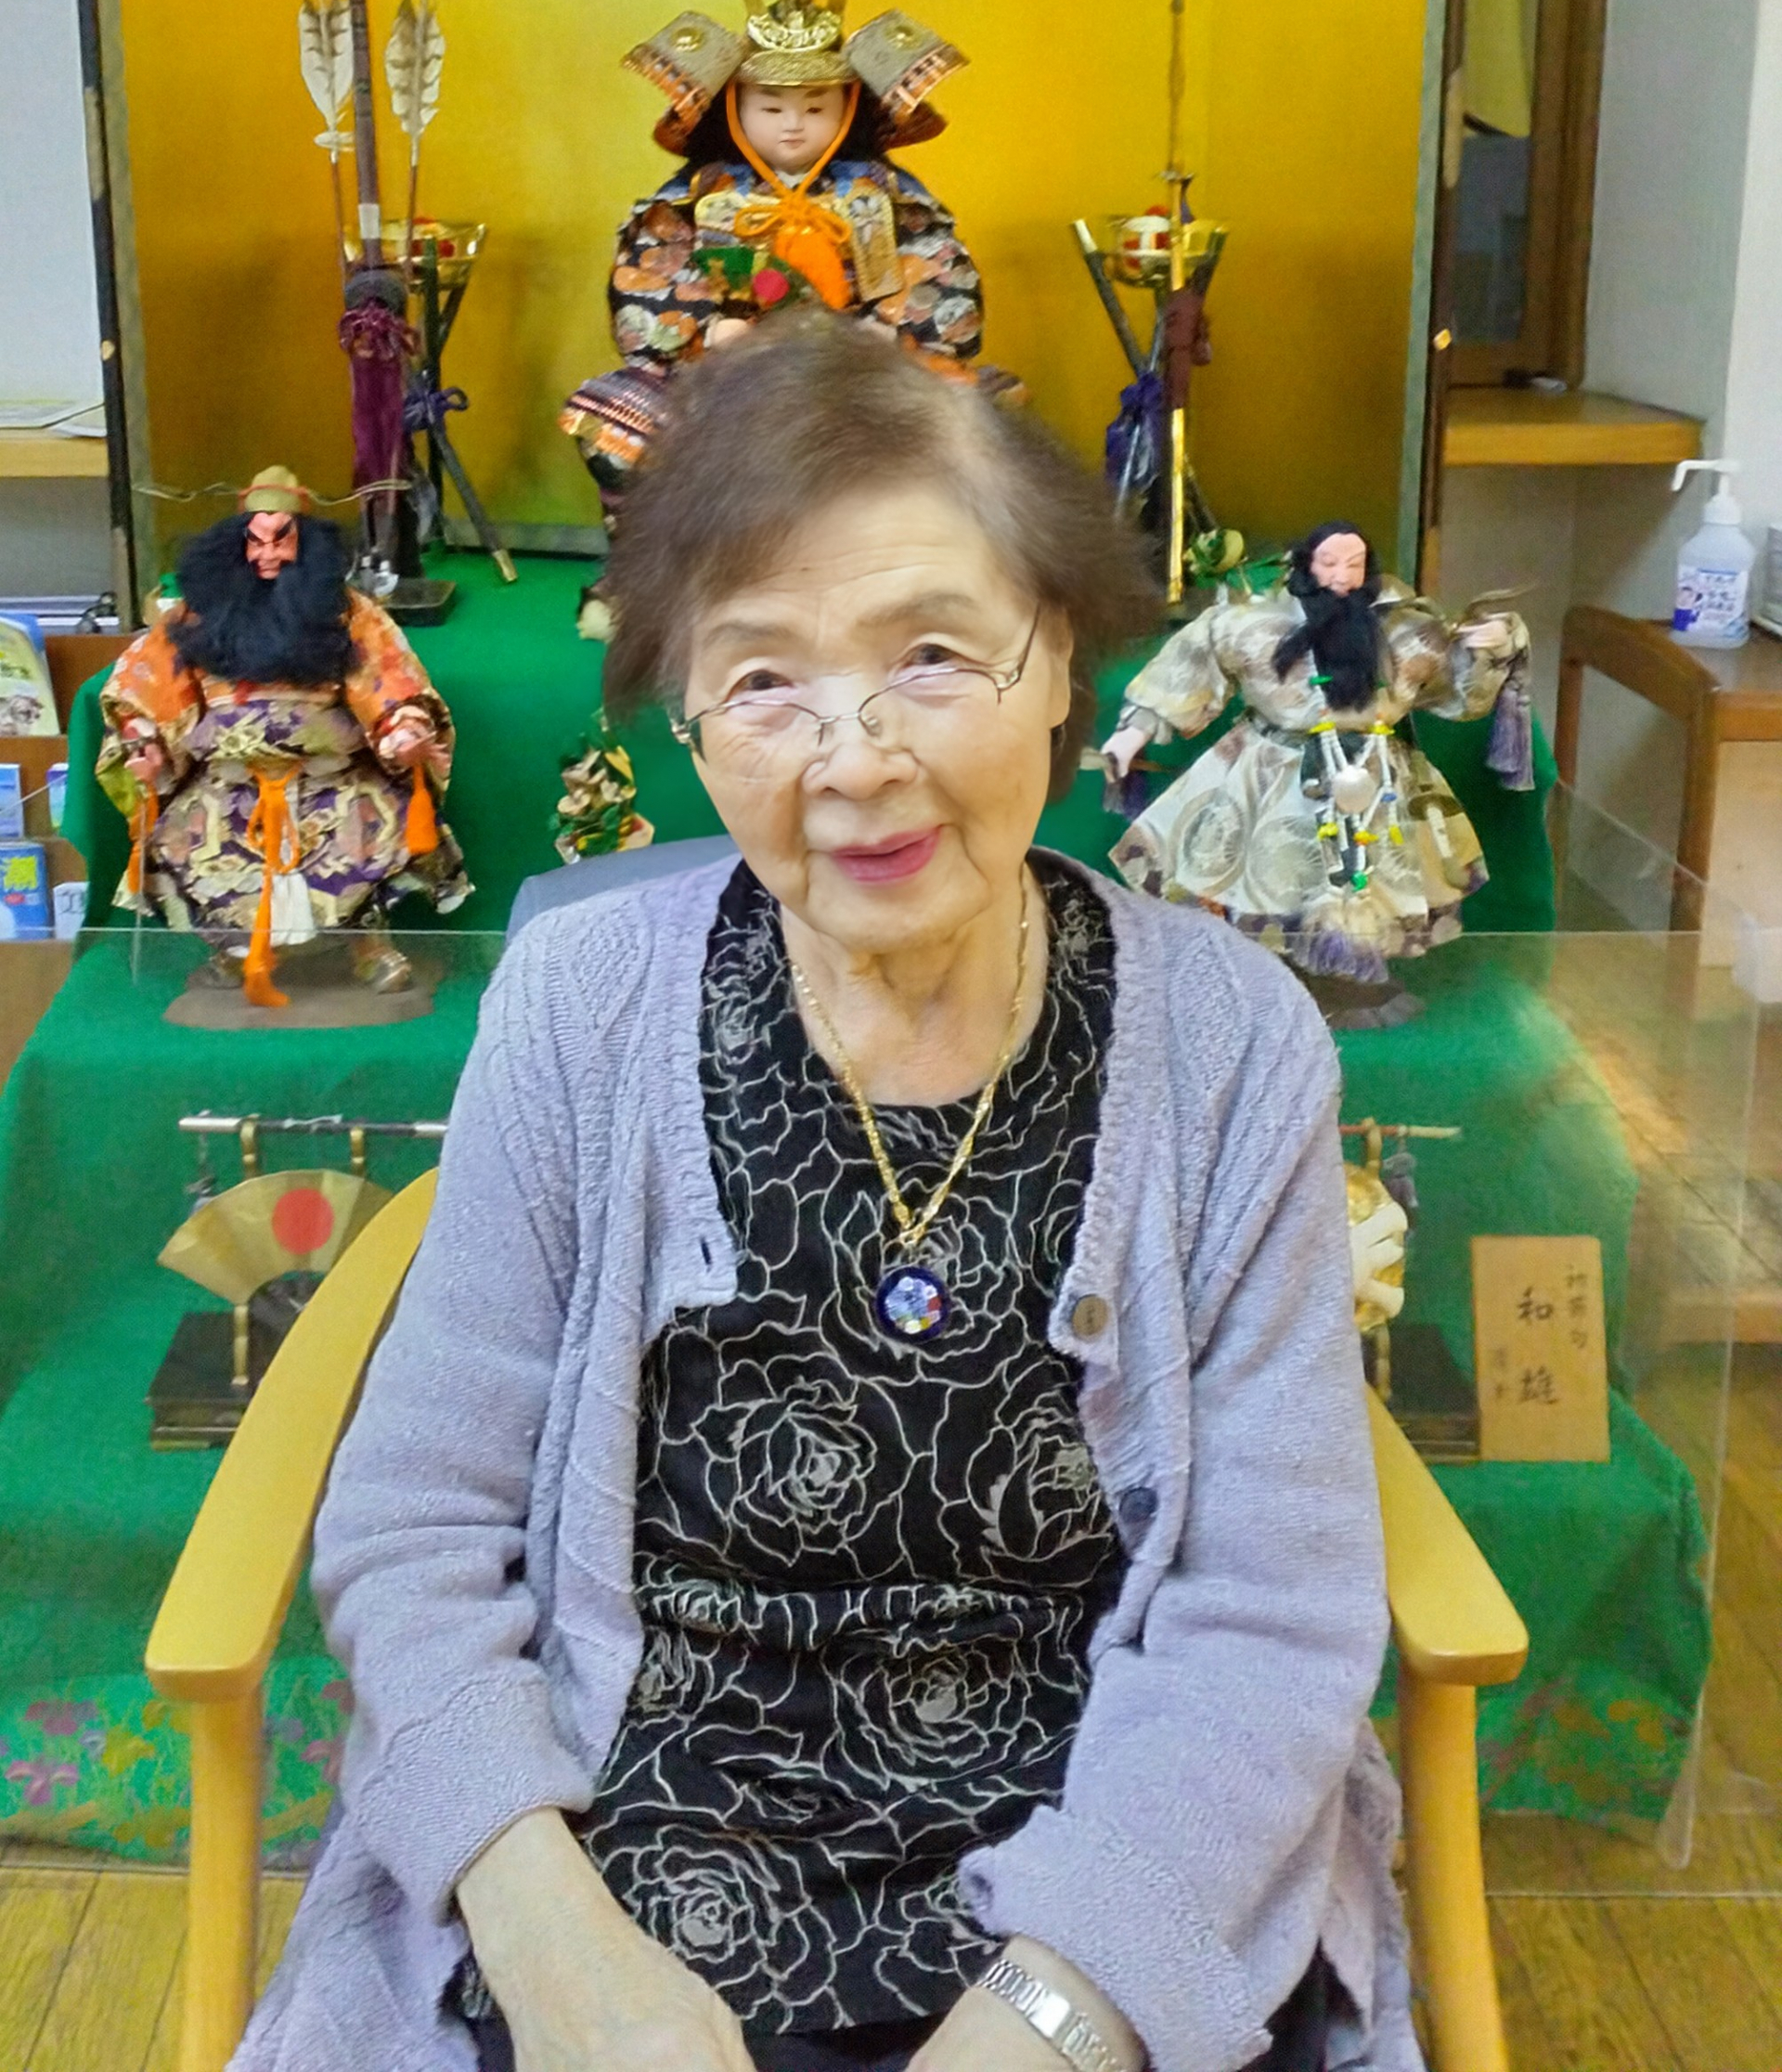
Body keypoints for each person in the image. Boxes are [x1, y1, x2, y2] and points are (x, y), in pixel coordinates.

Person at [236, 326, 1418, 2072]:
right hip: (632, 1855)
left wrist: (1050, 2015)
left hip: (1108, 1864)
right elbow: (415, 1521)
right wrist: (557, 1952)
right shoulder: (579, 1008)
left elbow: (1271, 1608)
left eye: (932, 654)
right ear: (690, 717)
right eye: (764, 681)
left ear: (1059, 654)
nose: (853, 760)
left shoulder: (1230, 1044)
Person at [560, 0, 1003, 527]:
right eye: (771, 108)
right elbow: (649, 287)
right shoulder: (694, 198)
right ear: (736, 109)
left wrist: (888, 335)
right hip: (726, 378)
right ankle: (658, 579)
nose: (793, 125)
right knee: (617, 419)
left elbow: (938, 275)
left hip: (858, 376)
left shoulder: (885, 195)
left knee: (981, 417)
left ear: (848, 107)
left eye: (815, 107)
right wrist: (711, 336)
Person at [1101, 522, 1531, 1004]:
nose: (1342, 576)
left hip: (1376, 769)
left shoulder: (1405, 628)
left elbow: (1459, 690)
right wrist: (1131, 734)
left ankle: (1348, 974)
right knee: (1271, 877)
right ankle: (1266, 981)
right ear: (1307, 564)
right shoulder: (1252, 623)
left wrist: (1495, 643)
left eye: (1354, 564)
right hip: (1273, 770)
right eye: (1330, 563)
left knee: (1372, 879)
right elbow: (1190, 664)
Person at [97, 467, 466, 999]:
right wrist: (144, 740)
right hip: (228, 786)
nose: (267, 554)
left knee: (373, 833)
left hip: (331, 783)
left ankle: (368, 946)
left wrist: (402, 731)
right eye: (256, 541)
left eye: (281, 540)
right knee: (190, 842)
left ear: (307, 544)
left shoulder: (351, 614)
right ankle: (235, 948)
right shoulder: (195, 616)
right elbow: (145, 687)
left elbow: (390, 683)